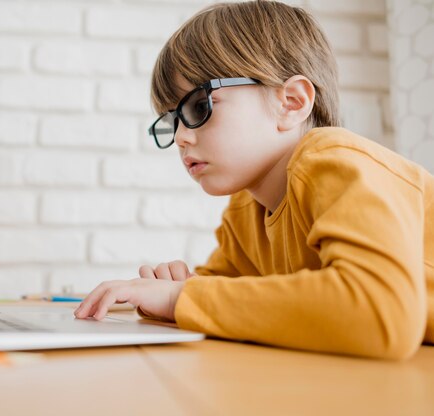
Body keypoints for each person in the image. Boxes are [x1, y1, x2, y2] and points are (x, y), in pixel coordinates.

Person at [74, 0, 434, 360]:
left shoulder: (333, 159)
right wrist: (174, 293)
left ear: (291, 102)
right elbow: (228, 301)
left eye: (199, 107)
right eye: (172, 122)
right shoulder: (248, 210)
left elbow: (381, 313)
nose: (181, 137)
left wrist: (179, 298)